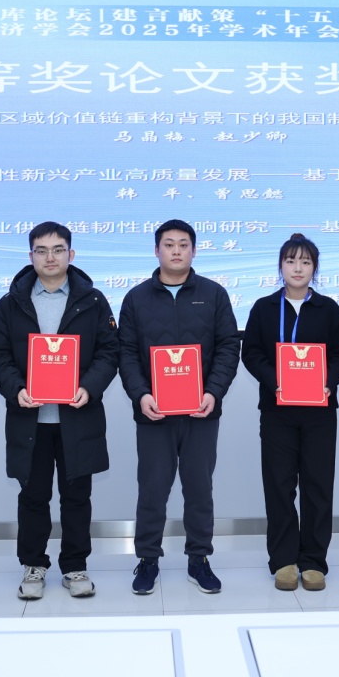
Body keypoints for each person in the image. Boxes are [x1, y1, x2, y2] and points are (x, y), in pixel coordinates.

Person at [0, 222, 119, 601]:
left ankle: (75, 565)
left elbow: (110, 351)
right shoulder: (11, 303)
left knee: (76, 497)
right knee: (33, 497)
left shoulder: (93, 300)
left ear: (70, 255)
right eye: (42, 250)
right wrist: (17, 389)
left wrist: (88, 387)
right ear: (31, 256)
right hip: (31, 419)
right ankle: (34, 565)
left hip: (78, 417)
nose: (50, 257)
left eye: (58, 250)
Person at [118, 219, 241, 595]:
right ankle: (148, 560)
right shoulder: (136, 298)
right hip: (153, 413)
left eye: (183, 244)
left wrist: (213, 392)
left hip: (200, 411)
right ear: (156, 250)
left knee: (199, 489)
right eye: (168, 244)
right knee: (152, 490)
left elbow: (228, 347)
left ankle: (198, 559)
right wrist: (141, 395)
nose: (176, 250)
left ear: (194, 250)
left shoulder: (214, 294)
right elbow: (126, 353)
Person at [241, 233, 339, 592]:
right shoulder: (263, 308)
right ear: (281, 266)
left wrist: (328, 382)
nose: (298, 268)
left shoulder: (330, 310)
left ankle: (314, 561)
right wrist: (276, 380)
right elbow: (251, 352)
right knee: (279, 485)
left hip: (320, 411)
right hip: (277, 410)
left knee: (318, 485)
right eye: (291, 261)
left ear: (314, 268)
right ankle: (284, 561)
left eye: (305, 262)